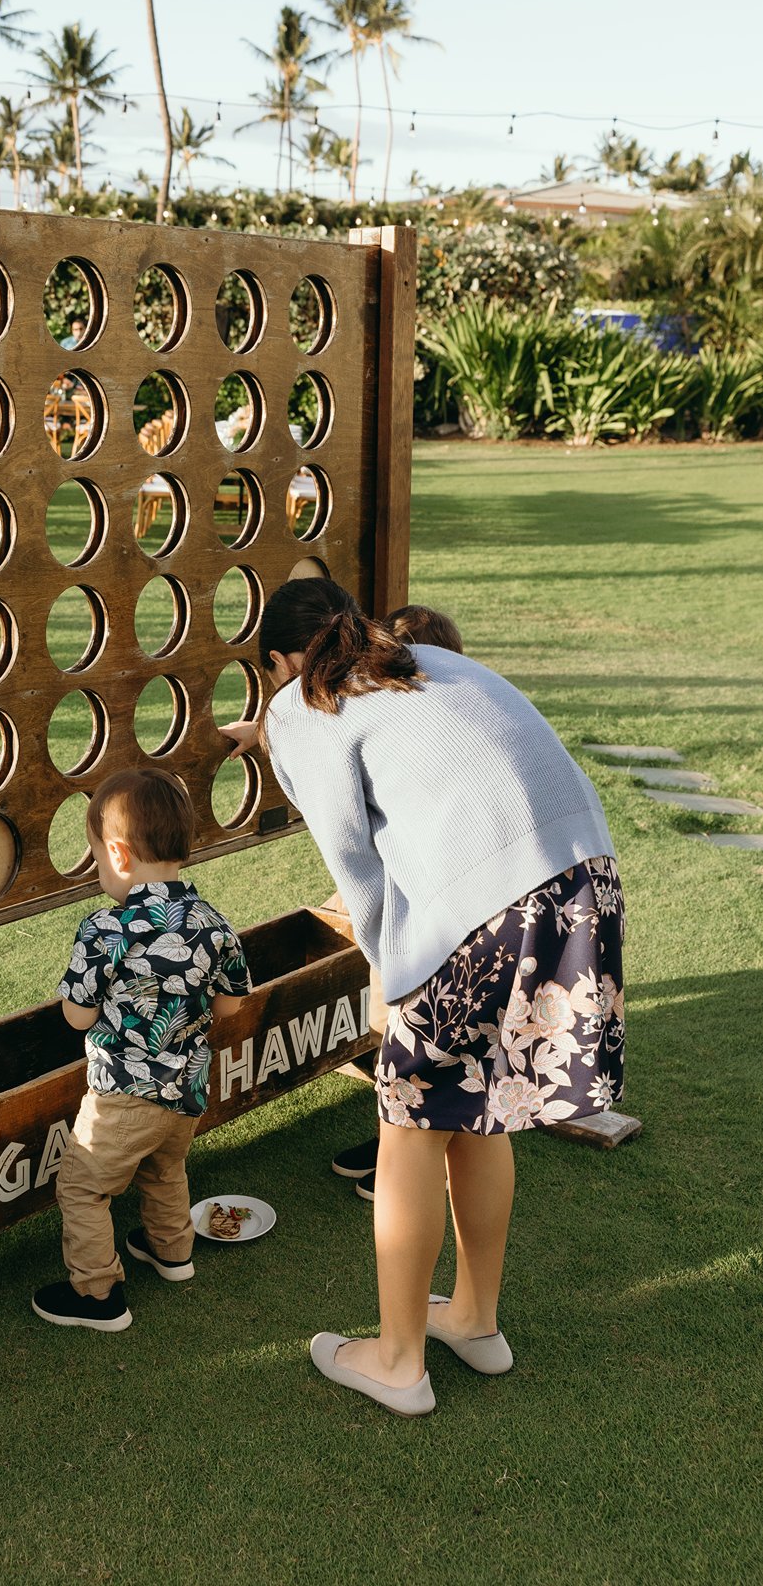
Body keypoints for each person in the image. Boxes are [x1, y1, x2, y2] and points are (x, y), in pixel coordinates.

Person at [227, 577, 624, 1416]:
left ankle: (398, 1360)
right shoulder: (427, 658)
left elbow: (353, 863)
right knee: (482, 1105)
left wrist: (390, 971)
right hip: (582, 880)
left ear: (276, 663)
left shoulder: (302, 706)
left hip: (485, 909)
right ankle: (474, 1319)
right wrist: (275, 732)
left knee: (406, 1124)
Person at [32, 770, 250, 1332]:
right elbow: (229, 1007)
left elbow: (76, 1015)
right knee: (165, 1166)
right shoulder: (212, 921)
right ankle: (172, 1252)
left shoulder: (107, 928)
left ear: (119, 854)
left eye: (98, 861)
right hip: (188, 1090)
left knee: (82, 1185)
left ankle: (99, 1295)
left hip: (122, 1098)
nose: (100, 872)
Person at [330, 604, 467, 1197]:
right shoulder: (434, 726)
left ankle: (412, 1156)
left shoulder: (439, 739)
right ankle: (402, 1141)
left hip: (442, 919)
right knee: (407, 1039)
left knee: (414, 1036)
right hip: (436, 911)